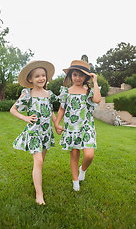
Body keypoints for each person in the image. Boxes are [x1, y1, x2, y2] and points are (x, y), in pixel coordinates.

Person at [10, 60, 61, 205]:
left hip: (46, 132)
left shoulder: (49, 94)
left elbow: (50, 111)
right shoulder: (27, 94)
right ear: (30, 79)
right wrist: (25, 117)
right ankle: (39, 194)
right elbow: (13, 109)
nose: (41, 78)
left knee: (40, 162)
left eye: (43, 75)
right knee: (38, 161)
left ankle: (36, 175)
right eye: (37, 76)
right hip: (33, 132)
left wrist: (56, 124)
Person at [54, 60, 101, 191]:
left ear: (86, 77)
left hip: (86, 127)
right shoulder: (66, 92)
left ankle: (83, 170)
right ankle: (75, 181)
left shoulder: (88, 91)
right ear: (70, 76)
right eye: (75, 74)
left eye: (81, 75)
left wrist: (95, 82)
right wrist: (57, 123)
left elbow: (97, 100)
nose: (78, 78)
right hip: (71, 128)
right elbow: (61, 109)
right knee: (74, 154)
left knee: (89, 155)